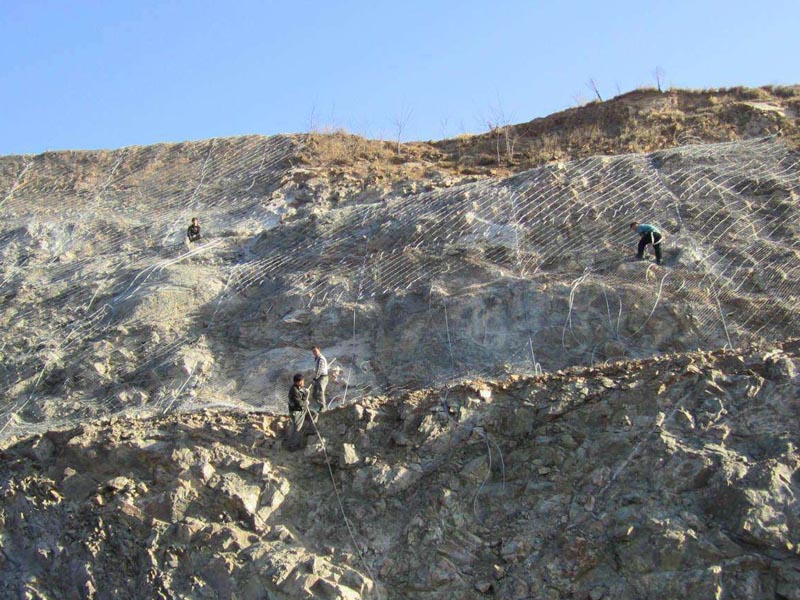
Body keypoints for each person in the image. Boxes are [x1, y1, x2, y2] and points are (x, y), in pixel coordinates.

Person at [287, 373, 311, 439]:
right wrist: (306, 403)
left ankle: (307, 430)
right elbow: (299, 403)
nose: (303, 382)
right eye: (301, 381)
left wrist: (305, 392)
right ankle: (293, 443)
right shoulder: (294, 391)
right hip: (296, 412)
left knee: (314, 414)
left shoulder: (299, 387)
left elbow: (303, 397)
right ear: (296, 382)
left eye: (303, 380)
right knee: (297, 428)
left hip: (300, 409)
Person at [310, 345, 329, 411]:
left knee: (320, 392)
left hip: (323, 377)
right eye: (313, 351)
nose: (314, 352)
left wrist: (315, 378)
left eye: (315, 351)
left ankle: (323, 407)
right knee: (314, 394)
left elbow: (319, 370)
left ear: (319, 350)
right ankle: (321, 406)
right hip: (318, 377)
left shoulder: (321, 359)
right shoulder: (317, 358)